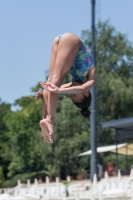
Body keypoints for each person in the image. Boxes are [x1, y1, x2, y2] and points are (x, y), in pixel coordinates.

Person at [35, 33, 96, 143]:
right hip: (71, 41)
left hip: (58, 41)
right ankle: (50, 121)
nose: (71, 91)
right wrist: (58, 90)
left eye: (71, 94)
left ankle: (45, 119)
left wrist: (43, 97)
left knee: (50, 81)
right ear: (86, 93)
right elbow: (81, 88)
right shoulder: (90, 81)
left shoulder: (74, 82)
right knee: (56, 80)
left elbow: (50, 89)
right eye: (74, 93)